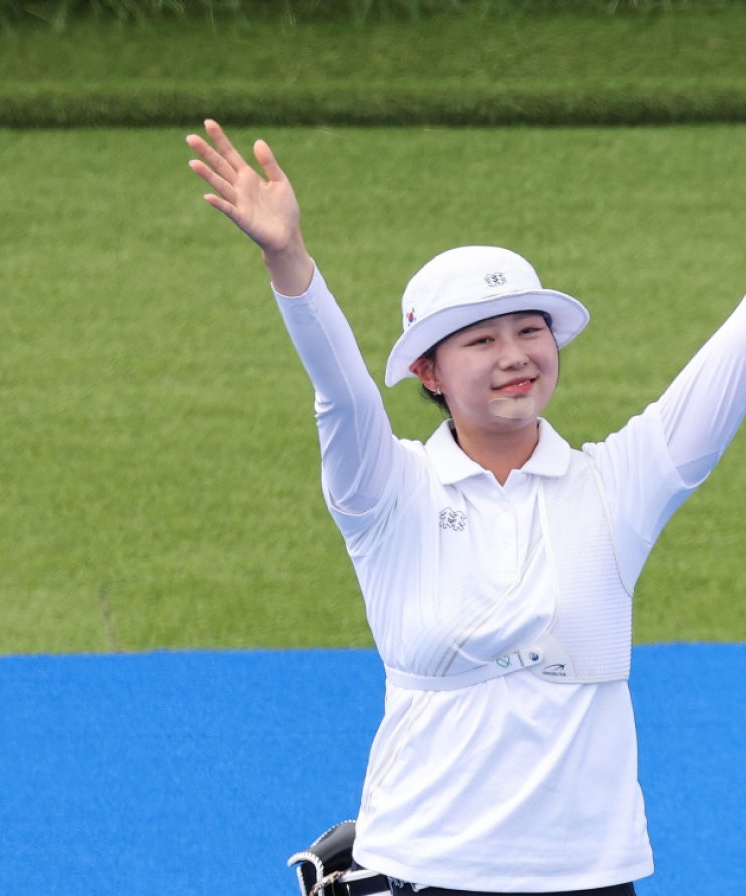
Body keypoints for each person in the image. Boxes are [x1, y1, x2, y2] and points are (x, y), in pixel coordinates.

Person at [185, 120, 746, 896]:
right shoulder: (387, 490)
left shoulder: (620, 484)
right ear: (428, 370)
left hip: (593, 877)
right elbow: (342, 393)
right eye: (480, 340)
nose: (516, 355)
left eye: (530, 330)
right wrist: (289, 260)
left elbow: (725, 375)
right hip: (427, 871)